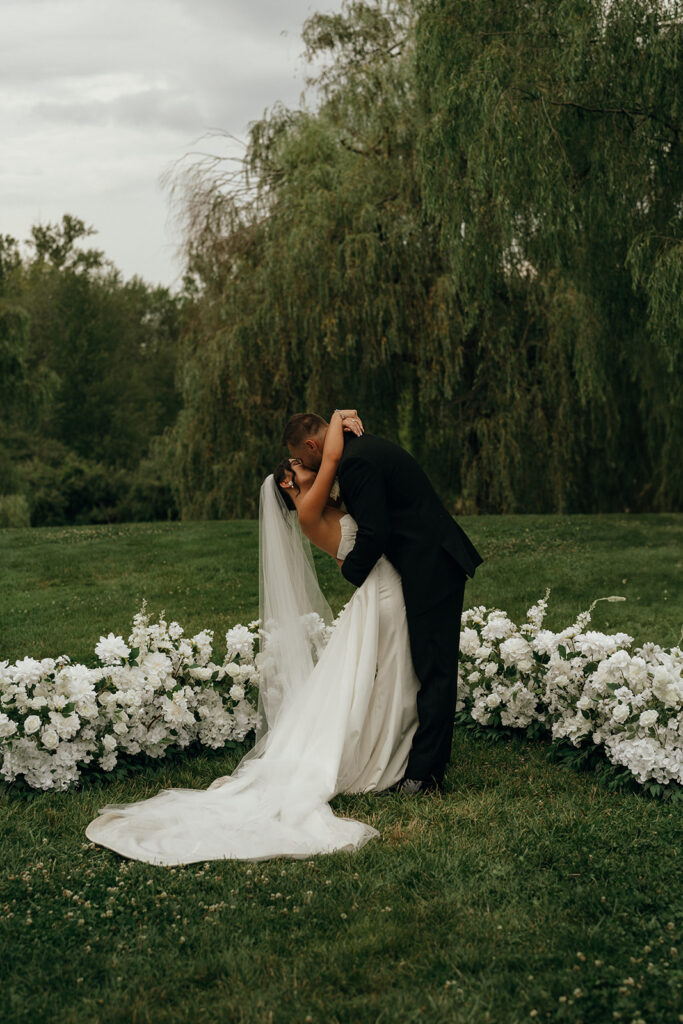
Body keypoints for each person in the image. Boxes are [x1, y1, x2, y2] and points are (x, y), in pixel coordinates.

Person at [85, 409, 421, 865]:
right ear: (288, 484)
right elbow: (331, 459)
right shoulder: (307, 508)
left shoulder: (318, 503)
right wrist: (338, 417)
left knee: (373, 674)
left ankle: (389, 740)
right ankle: (386, 750)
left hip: (376, 587)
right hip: (378, 588)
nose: (307, 466)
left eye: (300, 461)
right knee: (382, 671)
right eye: (300, 465)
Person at [284, 412, 484, 793]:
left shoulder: (356, 461)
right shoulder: (357, 450)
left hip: (432, 565)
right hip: (421, 565)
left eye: (301, 457)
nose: (304, 465)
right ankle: (417, 763)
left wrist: (356, 577)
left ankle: (425, 776)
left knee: (434, 670)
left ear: (311, 446)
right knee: (423, 667)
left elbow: (375, 532)